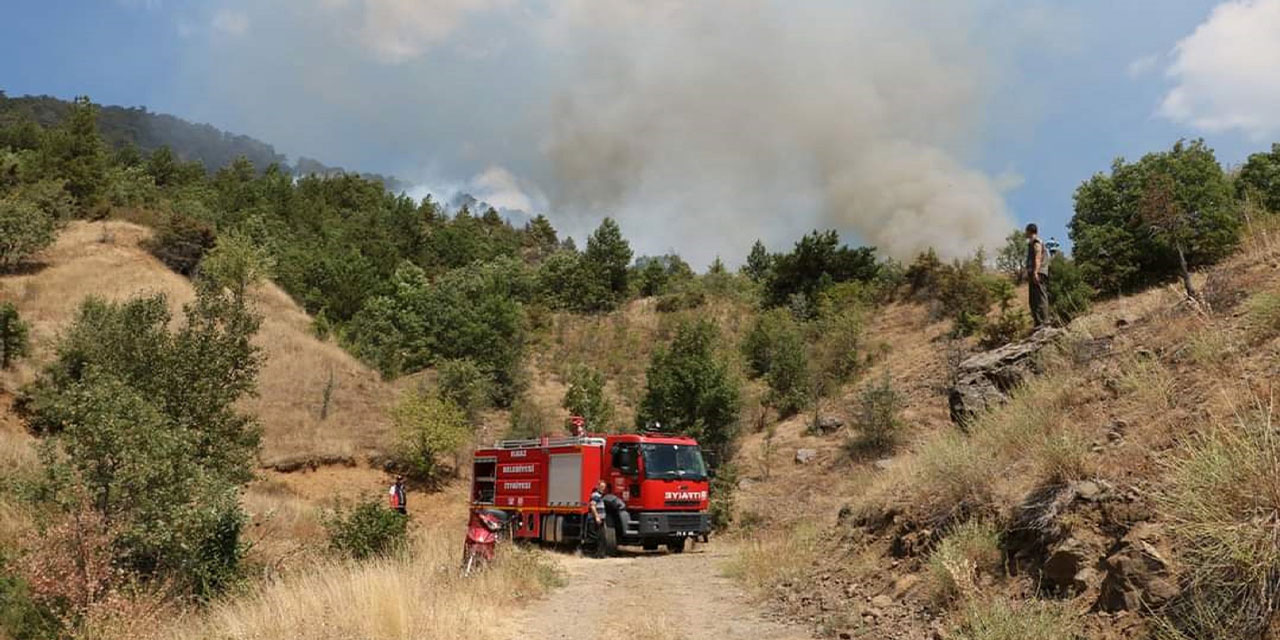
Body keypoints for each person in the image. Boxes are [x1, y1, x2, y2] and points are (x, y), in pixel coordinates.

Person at [1025, 223, 1052, 328]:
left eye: (1026, 231)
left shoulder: (1037, 242)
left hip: (1039, 273)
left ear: (1029, 231)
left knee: (1041, 297)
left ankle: (1045, 321)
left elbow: (1038, 257)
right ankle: (1038, 323)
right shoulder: (1031, 243)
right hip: (1034, 273)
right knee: (1033, 300)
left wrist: (1036, 272)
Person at [584, 480, 608, 558]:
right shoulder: (595, 495)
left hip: (600, 520)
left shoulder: (600, 496)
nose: (602, 489)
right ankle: (592, 554)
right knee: (594, 538)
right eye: (601, 487)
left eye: (603, 487)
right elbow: (592, 506)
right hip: (594, 520)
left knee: (601, 538)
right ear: (597, 487)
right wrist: (597, 517)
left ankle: (600, 555)